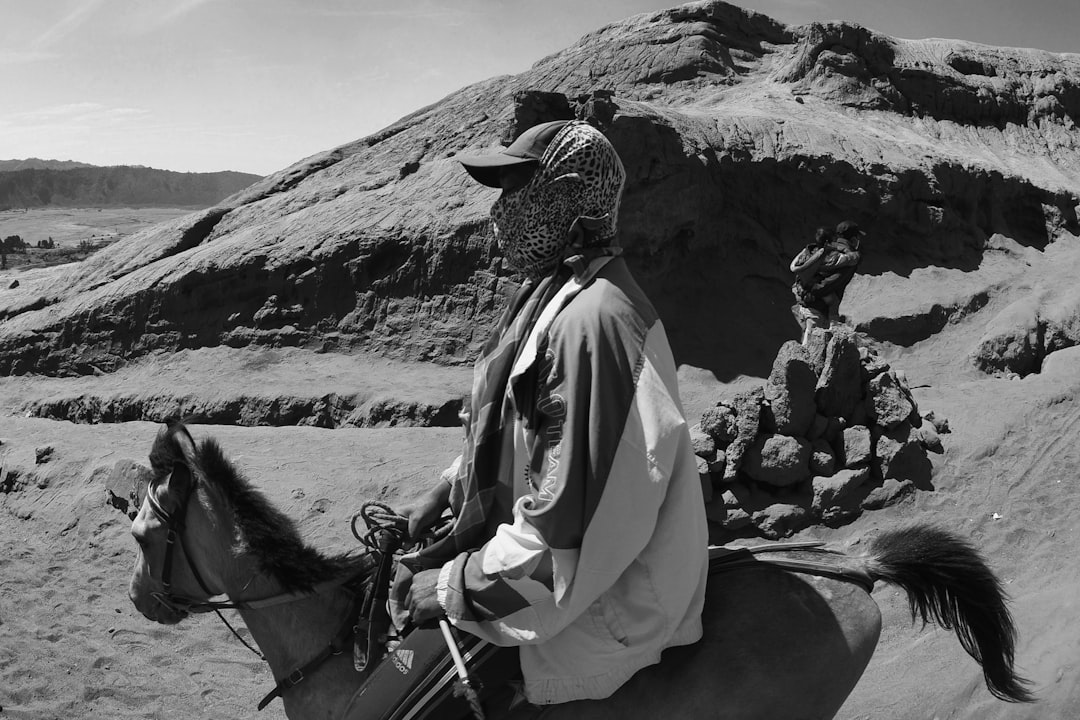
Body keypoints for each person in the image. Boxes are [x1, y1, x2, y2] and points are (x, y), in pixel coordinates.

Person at [389, 119, 708, 710]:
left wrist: (456, 586)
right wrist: (445, 489)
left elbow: (567, 534)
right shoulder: (557, 292)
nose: (498, 214)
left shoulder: (593, 325)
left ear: (563, 196)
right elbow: (522, 425)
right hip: (566, 553)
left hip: (606, 595)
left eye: (513, 192)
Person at [789, 220, 865, 343]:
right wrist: (810, 291)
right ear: (853, 239)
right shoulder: (848, 259)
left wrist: (802, 289)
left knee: (808, 346)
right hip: (816, 307)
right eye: (857, 237)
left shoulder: (822, 248)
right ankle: (834, 328)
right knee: (811, 351)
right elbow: (830, 282)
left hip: (804, 301)